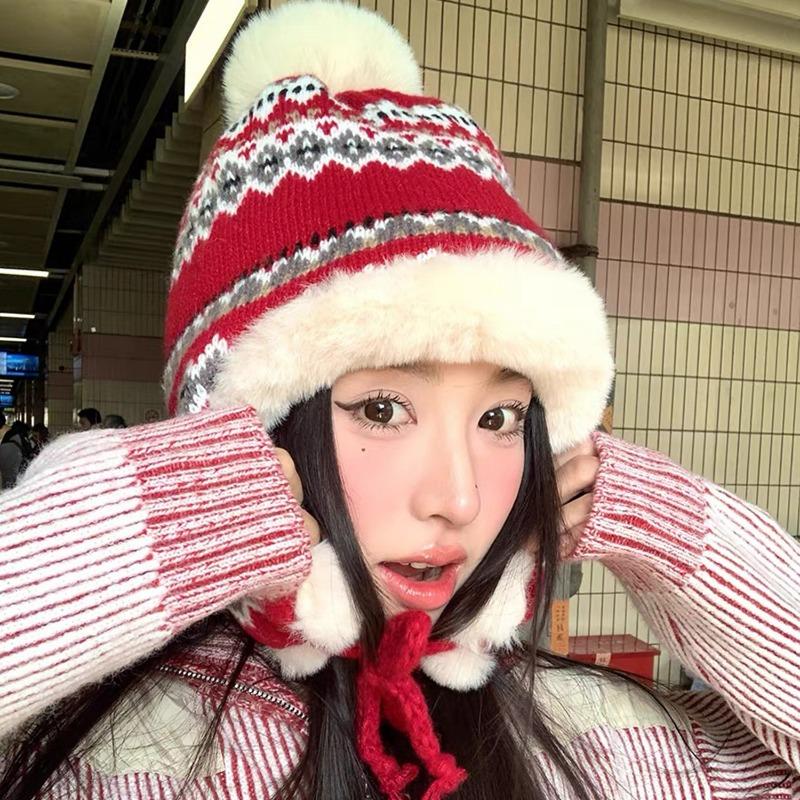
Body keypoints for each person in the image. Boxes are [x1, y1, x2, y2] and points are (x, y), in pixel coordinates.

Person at [1, 4, 798, 799]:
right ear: (245, 444)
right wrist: (141, 531)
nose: (458, 499)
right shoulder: (115, 760)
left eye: (499, 418)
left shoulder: (601, 740)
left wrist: (676, 532)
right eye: (382, 408)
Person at [0, 420, 33, 490]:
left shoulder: (8, 435)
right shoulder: (21, 437)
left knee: (7, 481)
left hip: (8, 457)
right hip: (17, 461)